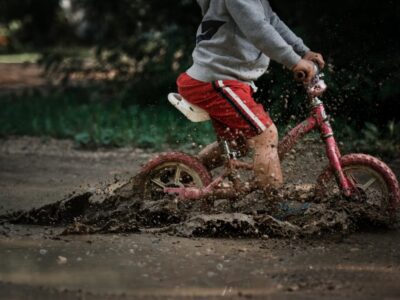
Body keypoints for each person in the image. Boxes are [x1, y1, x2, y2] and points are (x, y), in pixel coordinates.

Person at [177, 0, 325, 191]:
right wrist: (293, 61)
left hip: (226, 79)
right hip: (215, 81)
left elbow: (272, 22)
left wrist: (302, 51)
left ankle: (189, 171)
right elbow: (259, 30)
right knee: (265, 134)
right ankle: (274, 205)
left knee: (238, 142)